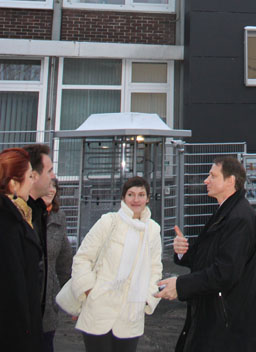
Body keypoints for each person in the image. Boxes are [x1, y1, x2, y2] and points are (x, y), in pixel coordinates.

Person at [155, 156, 256, 352]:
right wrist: (183, 251)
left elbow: (225, 272)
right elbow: (208, 256)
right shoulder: (226, 212)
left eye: (212, 176)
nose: (206, 180)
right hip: (216, 319)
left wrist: (180, 285)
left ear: (230, 181)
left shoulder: (239, 218)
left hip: (227, 328)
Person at [69, 176, 162, 352]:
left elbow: (155, 269)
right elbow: (83, 257)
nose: (136, 199)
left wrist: (146, 300)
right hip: (98, 310)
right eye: (131, 194)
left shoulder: (153, 230)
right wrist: (88, 291)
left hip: (130, 315)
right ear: (123, 198)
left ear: (148, 198)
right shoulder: (108, 222)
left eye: (141, 194)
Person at [0, 146, 43, 352]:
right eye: (30, 176)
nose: (33, 181)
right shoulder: (7, 223)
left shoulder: (19, 215)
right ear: (13, 184)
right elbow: (13, 285)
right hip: (14, 334)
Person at [25, 142, 57, 327]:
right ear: (34, 176)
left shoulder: (39, 211)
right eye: (49, 171)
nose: (53, 176)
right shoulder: (16, 215)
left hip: (37, 319)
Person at [42, 178, 73, 352]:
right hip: (24, 299)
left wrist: (72, 297)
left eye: (54, 186)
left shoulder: (59, 216)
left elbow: (64, 259)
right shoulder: (22, 214)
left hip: (48, 300)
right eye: (47, 185)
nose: (51, 189)